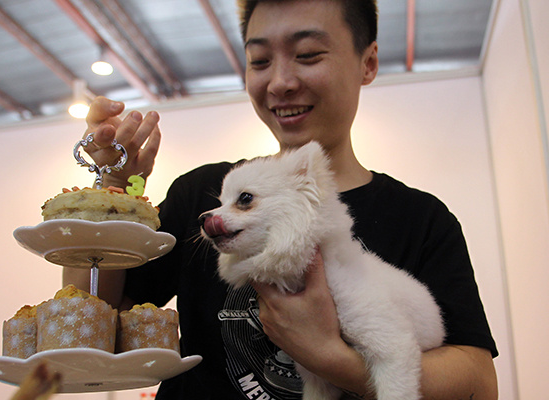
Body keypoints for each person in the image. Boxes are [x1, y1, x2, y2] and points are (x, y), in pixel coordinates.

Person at [64, 1, 499, 399]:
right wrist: (111, 189)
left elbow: (478, 383)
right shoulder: (201, 194)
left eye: (308, 55)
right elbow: (91, 320)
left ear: (367, 62)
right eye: (259, 61)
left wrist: (330, 357)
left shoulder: (421, 219)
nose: (280, 82)